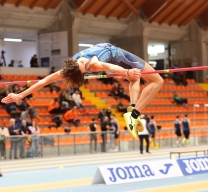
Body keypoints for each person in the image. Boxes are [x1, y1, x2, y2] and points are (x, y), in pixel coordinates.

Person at [1, 43, 163, 139]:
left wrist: (20, 94)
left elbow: (43, 81)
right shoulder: (93, 64)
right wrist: (127, 72)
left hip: (115, 57)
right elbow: (109, 66)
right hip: (119, 57)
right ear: (84, 72)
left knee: (136, 79)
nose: (84, 61)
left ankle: (132, 112)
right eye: (84, 66)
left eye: (81, 62)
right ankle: (134, 114)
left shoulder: (69, 67)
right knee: (157, 80)